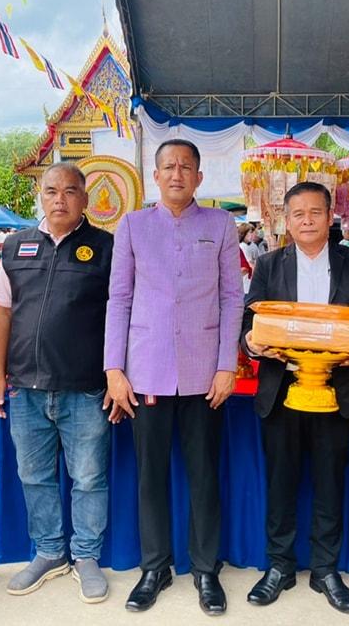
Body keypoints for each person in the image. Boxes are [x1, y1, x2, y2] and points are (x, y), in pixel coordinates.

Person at [104, 139, 244, 615]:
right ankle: (155, 567)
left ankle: (206, 570)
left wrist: (227, 365)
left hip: (205, 372)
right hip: (146, 371)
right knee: (151, 476)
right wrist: (114, 369)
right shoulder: (133, 225)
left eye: (186, 167)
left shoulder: (220, 224)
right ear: (156, 176)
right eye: (169, 167)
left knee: (204, 475)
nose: (177, 174)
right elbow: (119, 299)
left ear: (199, 177)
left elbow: (232, 298)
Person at [241, 182, 349, 613]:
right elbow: (248, 322)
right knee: (281, 483)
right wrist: (252, 342)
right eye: (298, 214)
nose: (307, 220)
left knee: (330, 483)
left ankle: (326, 570)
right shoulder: (269, 264)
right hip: (282, 391)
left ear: (330, 218)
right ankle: (279, 567)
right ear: (286, 221)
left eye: (315, 212)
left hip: (337, 392)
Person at [0, 163, 114, 603]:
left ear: (85, 198)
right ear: (40, 196)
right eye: (52, 191)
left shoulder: (107, 248)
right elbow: (1, 312)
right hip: (25, 388)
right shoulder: (15, 247)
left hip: (85, 387)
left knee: (89, 477)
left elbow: (122, 314)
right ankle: (49, 552)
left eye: (70, 191)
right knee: (34, 476)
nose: (60, 199)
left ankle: (86, 556)